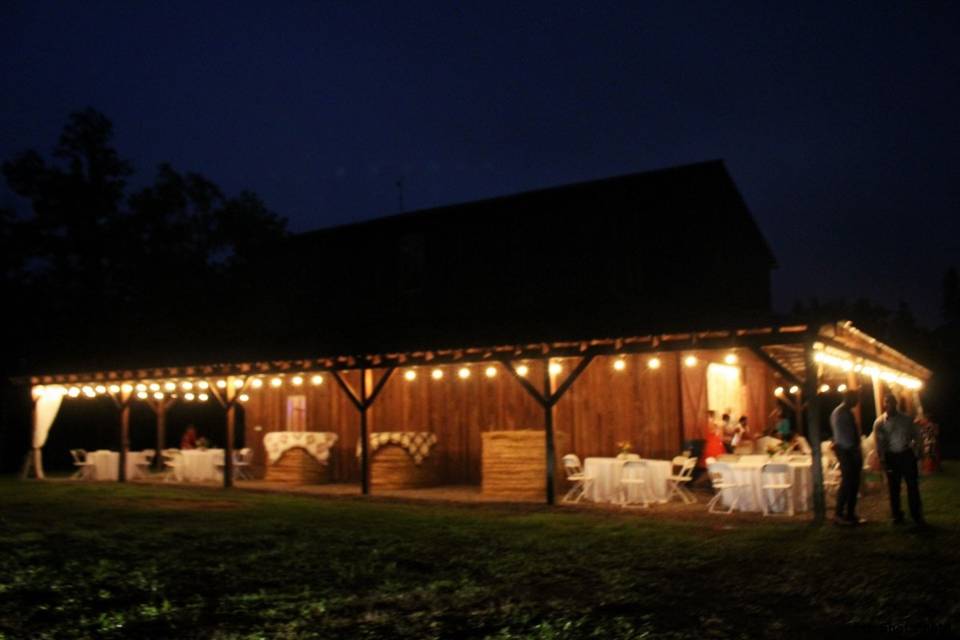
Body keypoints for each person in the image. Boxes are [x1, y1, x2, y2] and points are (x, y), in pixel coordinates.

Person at [874, 394, 925, 526]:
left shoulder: (907, 419)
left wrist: (919, 449)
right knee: (893, 488)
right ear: (884, 404)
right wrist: (882, 459)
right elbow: (879, 443)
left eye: (891, 402)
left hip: (906, 454)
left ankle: (916, 514)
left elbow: (917, 435)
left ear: (896, 403)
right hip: (891, 457)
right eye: (886, 402)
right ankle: (896, 515)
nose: (888, 405)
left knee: (912, 486)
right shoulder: (879, 423)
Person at [829, 389, 863, 525]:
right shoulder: (841, 413)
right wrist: (855, 449)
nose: (857, 402)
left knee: (853, 483)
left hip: (848, 450)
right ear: (849, 398)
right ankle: (839, 514)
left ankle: (850, 514)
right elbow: (845, 436)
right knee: (848, 482)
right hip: (847, 451)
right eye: (856, 398)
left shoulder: (845, 412)